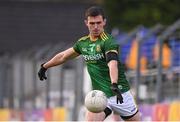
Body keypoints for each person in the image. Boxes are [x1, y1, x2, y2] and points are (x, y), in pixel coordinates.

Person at [38, 6, 140, 121]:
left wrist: (114, 83)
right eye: (92, 23)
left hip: (120, 93)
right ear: (86, 23)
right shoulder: (82, 43)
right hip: (100, 97)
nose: (95, 27)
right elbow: (63, 56)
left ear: (104, 22)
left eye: (98, 23)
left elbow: (112, 63)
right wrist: (45, 66)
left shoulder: (108, 41)